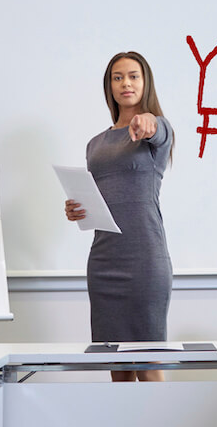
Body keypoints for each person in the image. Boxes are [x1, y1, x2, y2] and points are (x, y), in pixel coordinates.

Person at [64, 52, 174, 382]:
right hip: (104, 263)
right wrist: (76, 209)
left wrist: (148, 122)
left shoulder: (158, 130)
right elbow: (98, 196)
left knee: (150, 364)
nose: (125, 83)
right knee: (119, 367)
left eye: (133, 76)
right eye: (117, 77)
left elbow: (158, 130)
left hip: (145, 262)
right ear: (109, 86)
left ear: (145, 82)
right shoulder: (94, 145)